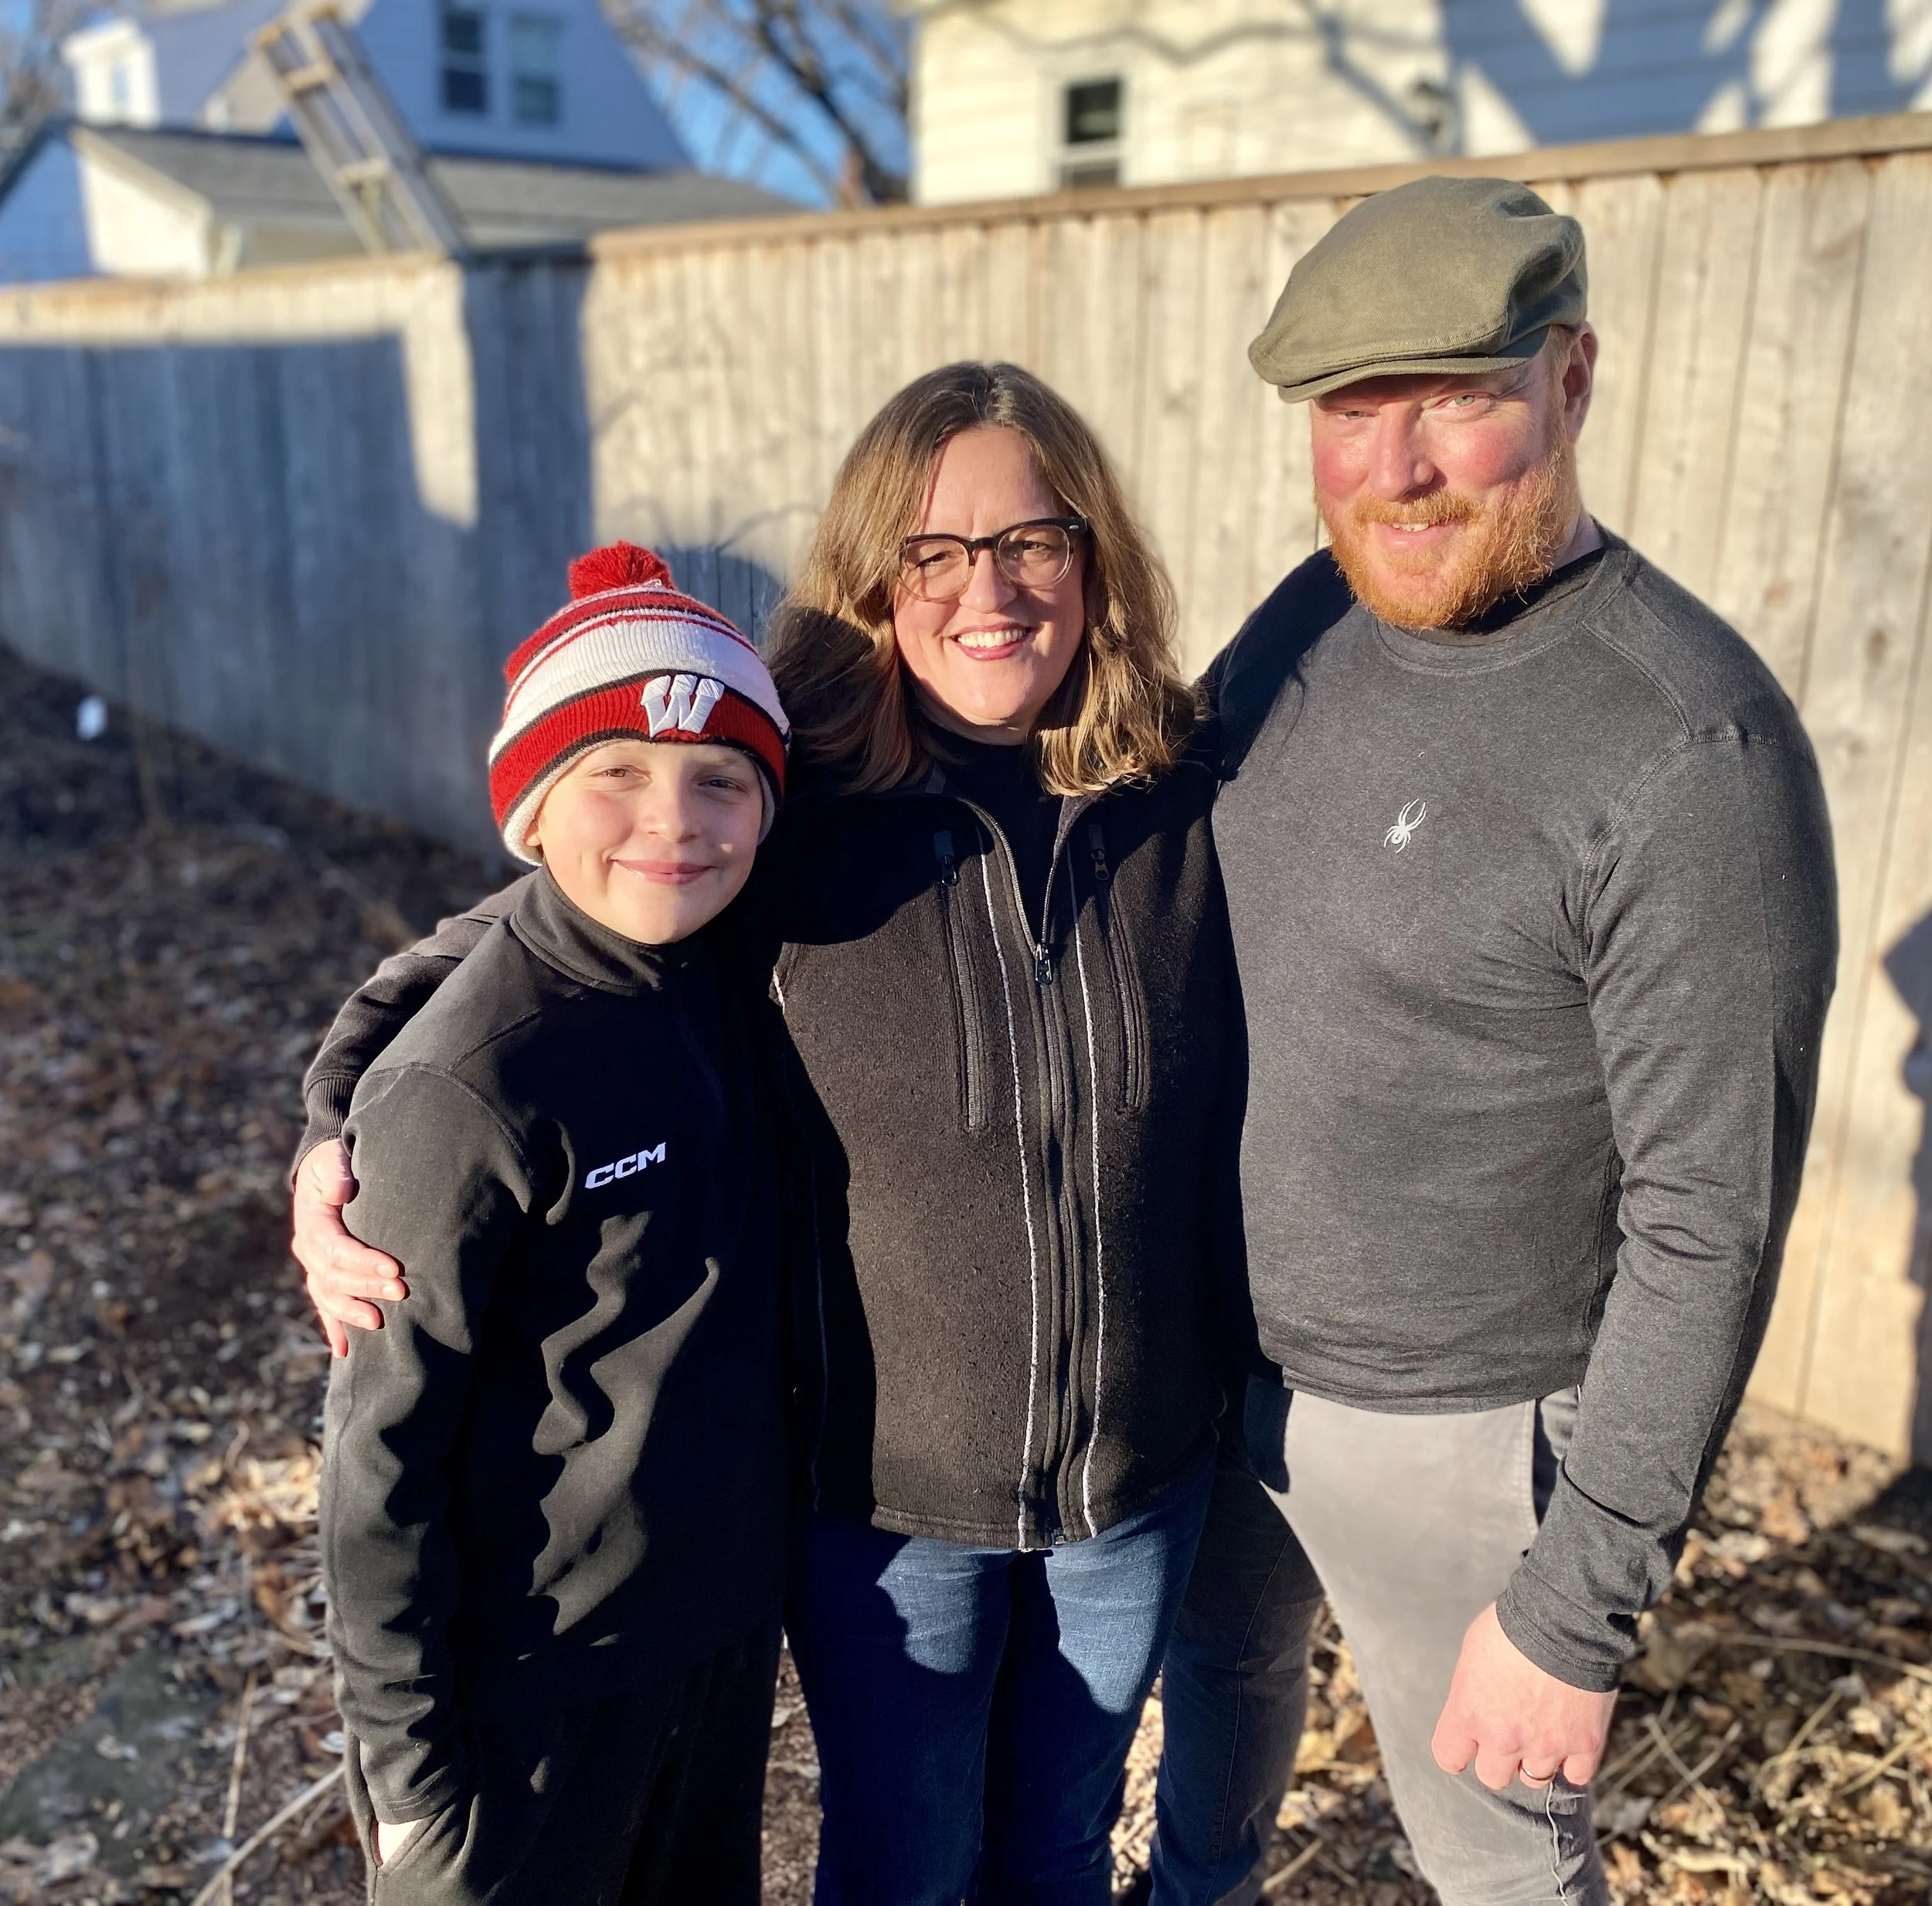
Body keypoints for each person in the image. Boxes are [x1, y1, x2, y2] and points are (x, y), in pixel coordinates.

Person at [291, 363, 1257, 1904]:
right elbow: (506, 947)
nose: (987, 589)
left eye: (1032, 541)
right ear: (874, 581)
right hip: (885, 1504)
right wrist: (335, 1118)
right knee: (905, 1865)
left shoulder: (1184, 798)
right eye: (931, 552)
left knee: (1062, 1852)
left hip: (1132, 1479)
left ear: (1094, 560)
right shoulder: (787, 808)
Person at [1149, 176, 1839, 1905]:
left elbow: (1708, 1215)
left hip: (1457, 1445)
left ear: (1570, 380)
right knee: (1217, 1709)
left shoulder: (1690, 754)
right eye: (1350, 413)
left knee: (1498, 1863)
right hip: (1216, 1375)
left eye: (1454, 398)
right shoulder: (1305, 622)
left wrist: (1575, 1598)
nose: (1396, 472)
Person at [319, 545, 795, 1906]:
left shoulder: (721, 970)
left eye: (722, 781)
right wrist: (410, 1783)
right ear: (534, 806)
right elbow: (376, 1462)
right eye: (619, 776)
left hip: (707, 1643)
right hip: (523, 1690)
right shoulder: (470, 1081)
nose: (675, 821)